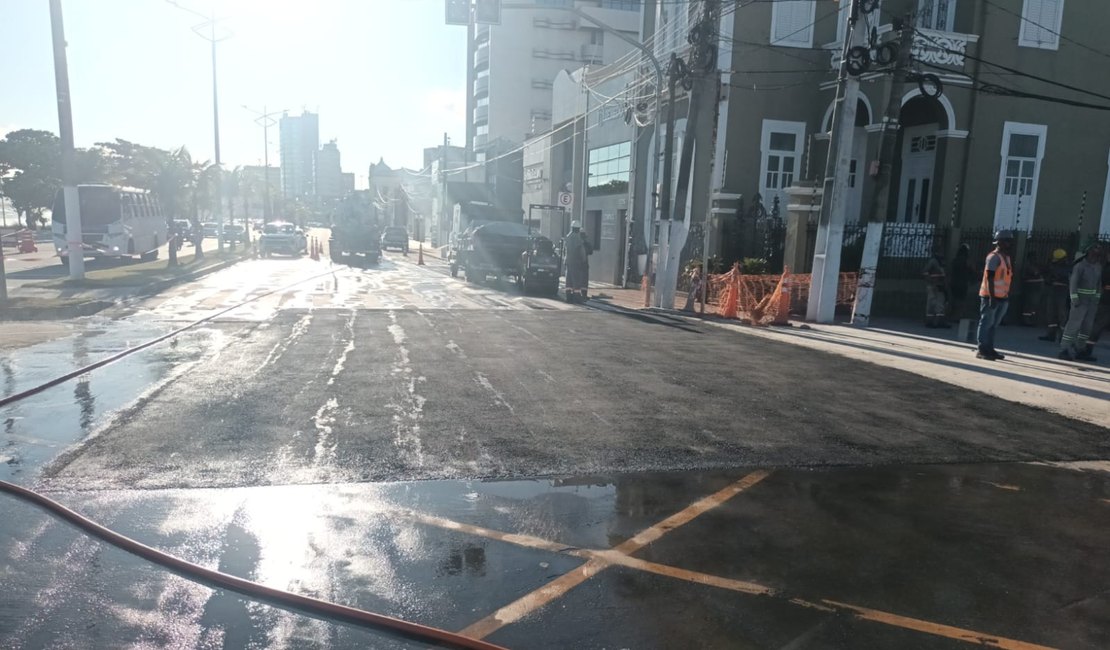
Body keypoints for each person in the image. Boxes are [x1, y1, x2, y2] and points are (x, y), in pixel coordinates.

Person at [1059, 241, 1105, 362]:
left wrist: (1097, 297)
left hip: (1092, 302)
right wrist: (1074, 299)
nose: (1098, 251)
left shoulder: (1098, 266)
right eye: (1095, 248)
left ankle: (1080, 349)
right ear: (1088, 251)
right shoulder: (1080, 266)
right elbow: (1073, 283)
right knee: (1073, 325)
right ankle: (1064, 349)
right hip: (1080, 301)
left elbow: (1099, 284)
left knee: (1087, 327)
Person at [975, 230, 1014, 361]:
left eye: (1010, 241)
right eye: (1007, 241)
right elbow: (989, 278)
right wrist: (992, 297)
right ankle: (982, 349)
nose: (1009, 244)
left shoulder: (1006, 258)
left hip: (1002, 297)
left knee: (993, 325)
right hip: (990, 297)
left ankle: (989, 348)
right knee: (986, 323)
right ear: (999, 242)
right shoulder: (993, 257)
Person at [1080, 247, 1110, 361]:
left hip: (1104, 299)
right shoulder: (1106, 269)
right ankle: (1085, 349)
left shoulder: (1102, 267)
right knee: (1098, 324)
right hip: (1106, 300)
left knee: (1097, 324)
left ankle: (1084, 348)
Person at [1038, 248, 1071, 342]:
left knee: (1062, 314)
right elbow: (1047, 277)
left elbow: (1066, 277)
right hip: (1053, 290)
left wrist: (1055, 275)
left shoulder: (1068, 268)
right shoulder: (1053, 266)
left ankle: (1063, 336)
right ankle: (1051, 334)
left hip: (1063, 292)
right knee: (1051, 313)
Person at [563, 220, 592, 302]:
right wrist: (583, 260)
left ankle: (568, 297)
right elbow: (581, 250)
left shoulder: (568, 236)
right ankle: (577, 297)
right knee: (577, 280)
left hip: (568, 261)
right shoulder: (578, 238)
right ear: (578, 229)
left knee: (568, 279)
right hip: (576, 262)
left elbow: (565, 250)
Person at [922, 247, 950, 328]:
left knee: (940, 305)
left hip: (940, 286)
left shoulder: (941, 261)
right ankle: (930, 322)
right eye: (940, 251)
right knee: (931, 304)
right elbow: (925, 272)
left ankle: (939, 322)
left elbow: (943, 274)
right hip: (933, 286)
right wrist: (932, 282)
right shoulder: (933, 261)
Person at [948, 243, 975, 323]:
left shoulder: (955, 260)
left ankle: (951, 316)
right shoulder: (967, 261)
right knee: (960, 301)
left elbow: (950, 271)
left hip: (954, 283)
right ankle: (957, 317)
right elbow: (972, 271)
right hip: (963, 283)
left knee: (953, 300)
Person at [1019, 249, 1045, 326]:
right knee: (1029, 304)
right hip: (1031, 289)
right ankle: (1026, 321)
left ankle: (1032, 320)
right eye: (1033, 257)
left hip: (1038, 289)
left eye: (1035, 257)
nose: (1035, 259)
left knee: (1035, 305)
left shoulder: (1037, 266)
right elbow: (1027, 276)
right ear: (1029, 258)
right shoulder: (1028, 266)